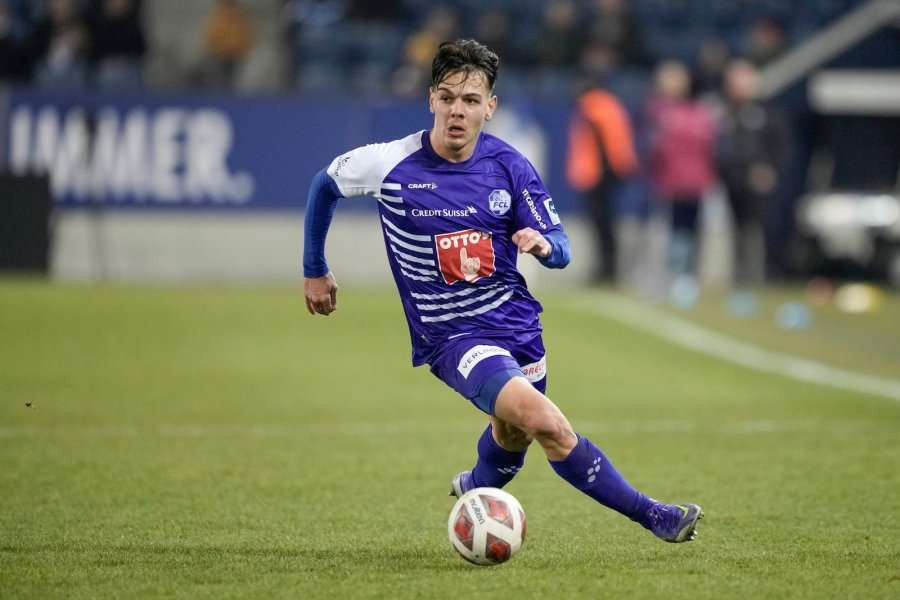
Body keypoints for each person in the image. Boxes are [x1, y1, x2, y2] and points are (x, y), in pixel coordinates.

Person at [303, 39, 702, 544]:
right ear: (431, 100)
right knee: (546, 425)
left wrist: (543, 246)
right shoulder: (390, 163)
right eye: (448, 98)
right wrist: (315, 268)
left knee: (511, 432)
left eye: (471, 101)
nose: (457, 111)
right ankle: (656, 516)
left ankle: (477, 485)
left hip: (517, 325)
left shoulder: (509, 166)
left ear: (489, 108)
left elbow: (562, 246)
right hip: (453, 338)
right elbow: (324, 185)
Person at [646, 61, 717, 305]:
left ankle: (686, 280)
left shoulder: (700, 112)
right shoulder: (657, 111)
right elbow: (653, 149)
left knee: (691, 233)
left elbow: (710, 148)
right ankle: (669, 278)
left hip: (696, 184)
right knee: (671, 234)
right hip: (668, 184)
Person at [566, 79, 639, 284]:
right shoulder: (608, 104)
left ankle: (607, 269)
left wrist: (605, 171)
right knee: (605, 225)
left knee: (602, 225)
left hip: (600, 175)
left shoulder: (592, 107)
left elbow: (601, 143)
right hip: (609, 173)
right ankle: (608, 268)